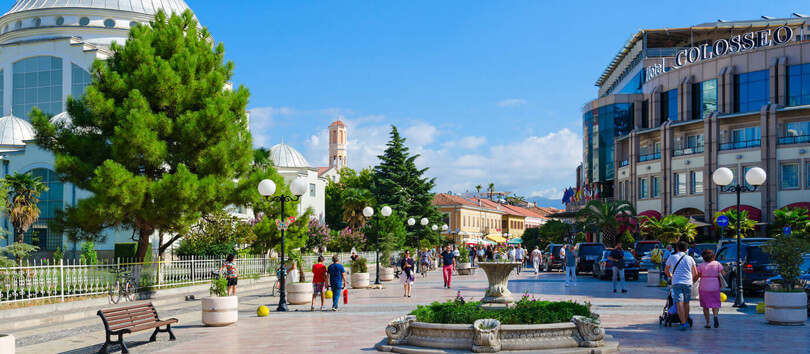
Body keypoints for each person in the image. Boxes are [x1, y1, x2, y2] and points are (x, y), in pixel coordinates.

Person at [664, 241, 698, 331]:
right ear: (686, 250)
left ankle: (683, 323)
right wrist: (692, 281)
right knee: (686, 303)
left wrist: (672, 276)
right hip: (688, 283)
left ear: (677, 248)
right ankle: (686, 321)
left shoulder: (672, 257)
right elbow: (695, 273)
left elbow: (666, 270)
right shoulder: (690, 259)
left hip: (676, 282)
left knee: (679, 303)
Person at [694, 248, 725, 328]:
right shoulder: (717, 264)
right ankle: (715, 316)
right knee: (715, 304)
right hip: (715, 286)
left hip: (704, 286)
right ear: (713, 256)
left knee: (705, 306)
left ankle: (708, 323)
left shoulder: (701, 266)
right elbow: (723, 274)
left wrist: (692, 282)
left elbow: (697, 276)